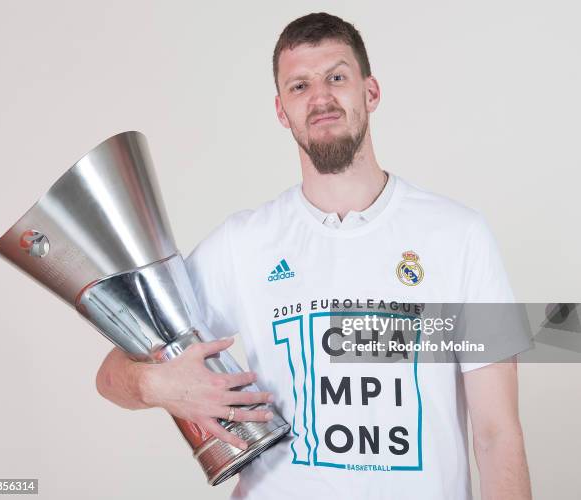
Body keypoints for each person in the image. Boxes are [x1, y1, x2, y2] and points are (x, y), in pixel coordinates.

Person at [95, 12, 532, 500]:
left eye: (337, 77)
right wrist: (161, 387)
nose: (320, 97)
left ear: (371, 92)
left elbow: (496, 436)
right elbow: (112, 374)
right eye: (299, 86)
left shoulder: (459, 235)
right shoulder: (244, 243)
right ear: (282, 111)